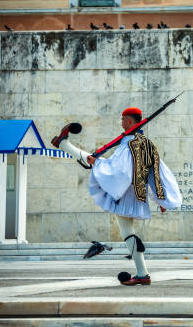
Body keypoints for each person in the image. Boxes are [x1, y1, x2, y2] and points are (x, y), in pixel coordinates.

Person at [51, 107, 182, 285]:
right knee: (128, 231)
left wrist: (97, 163)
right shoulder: (145, 142)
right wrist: (160, 197)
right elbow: (156, 170)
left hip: (124, 192)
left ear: (129, 121)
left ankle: (143, 274)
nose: (121, 122)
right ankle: (142, 273)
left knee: (127, 232)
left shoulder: (129, 143)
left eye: (122, 119)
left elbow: (119, 171)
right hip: (136, 192)